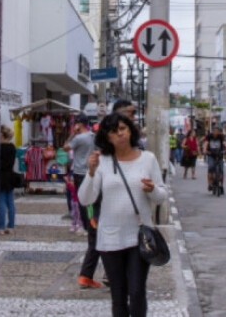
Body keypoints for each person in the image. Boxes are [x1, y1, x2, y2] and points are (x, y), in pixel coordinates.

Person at [78, 113, 168, 317]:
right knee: (118, 296)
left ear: (130, 130)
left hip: (139, 237)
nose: (120, 134)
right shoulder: (102, 162)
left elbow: (162, 196)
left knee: (136, 292)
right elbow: (85, 199)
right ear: (106, 137)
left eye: (122, 128)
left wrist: (152, 189)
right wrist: (90, 172)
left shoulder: (148, 159)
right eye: (113, 131)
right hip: (110, 237)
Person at [64, 114, 103, 289]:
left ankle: (89, 223)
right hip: (94, 172)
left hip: (81, 175)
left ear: (79, 124)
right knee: (92, 206)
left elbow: (65, 148)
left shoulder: (79, 137)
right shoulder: (95, 137)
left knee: (86, 205)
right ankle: (90, 223)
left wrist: (73, 133)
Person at [0, 125, 18, 236]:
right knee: (10, 202)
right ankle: (11, 226)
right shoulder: (12, 147)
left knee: (1, 201)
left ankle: (1, 226)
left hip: (1, 176)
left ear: (2, 135)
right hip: (10, 175)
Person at [204, 126, 226, 196]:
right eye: (214, 131)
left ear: (219, 132)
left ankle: (221, 186)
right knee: (211, 167)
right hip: (211, 155)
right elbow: (206, 144)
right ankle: (210, 184)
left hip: (219, 155)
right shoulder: (209, 136)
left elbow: (225, 143)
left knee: (221, 170)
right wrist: (205, 150)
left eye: (217, 131)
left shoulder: (221, 137)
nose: (215, 132)